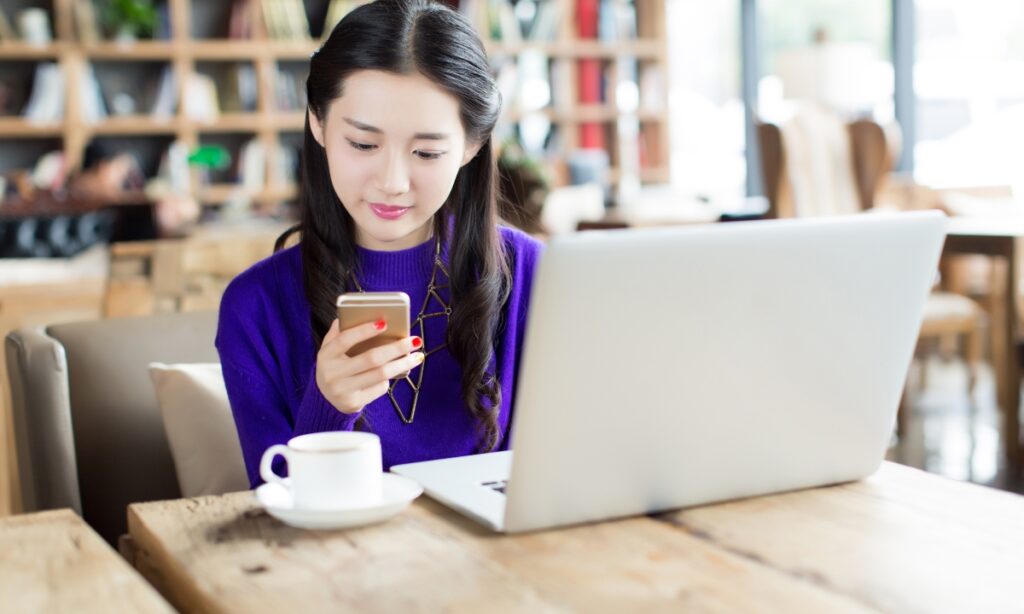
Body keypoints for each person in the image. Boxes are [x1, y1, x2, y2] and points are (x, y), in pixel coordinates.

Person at [216, 0, 543, 487]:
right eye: (364, 144)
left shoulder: (532, 275)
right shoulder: (255, 307)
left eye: (427, 152)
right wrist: (327, 407)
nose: (392, 182)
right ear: (318, 123)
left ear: (472, 146)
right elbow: (277, 508)